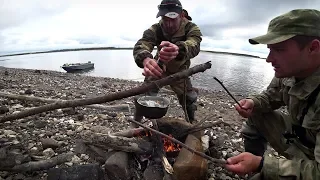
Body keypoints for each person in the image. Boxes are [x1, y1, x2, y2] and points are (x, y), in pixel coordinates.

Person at [225, 9, 320, 179]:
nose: (269, 59)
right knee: (257, 113)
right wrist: (253, 102)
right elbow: (270, 96)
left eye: (279, 49)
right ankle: (253, 168)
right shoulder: (292, 73)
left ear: (313, 48)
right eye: (269, 49)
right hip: (300, 140)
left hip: (314, 165)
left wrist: (263, 164)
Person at [133, 0, 202, 123]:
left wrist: (179, 49)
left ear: (181, 16)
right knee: (143, 95)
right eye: (165, 19)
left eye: (173, 19)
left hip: (180, 72)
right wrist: (145, 58)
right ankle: (136, 122)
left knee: (189, 99)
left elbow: (194, 44)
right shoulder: (155, 29)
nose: (168, 24)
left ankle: (191, 124)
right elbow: (142, 43)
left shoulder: (191, 27)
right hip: (158, 68)